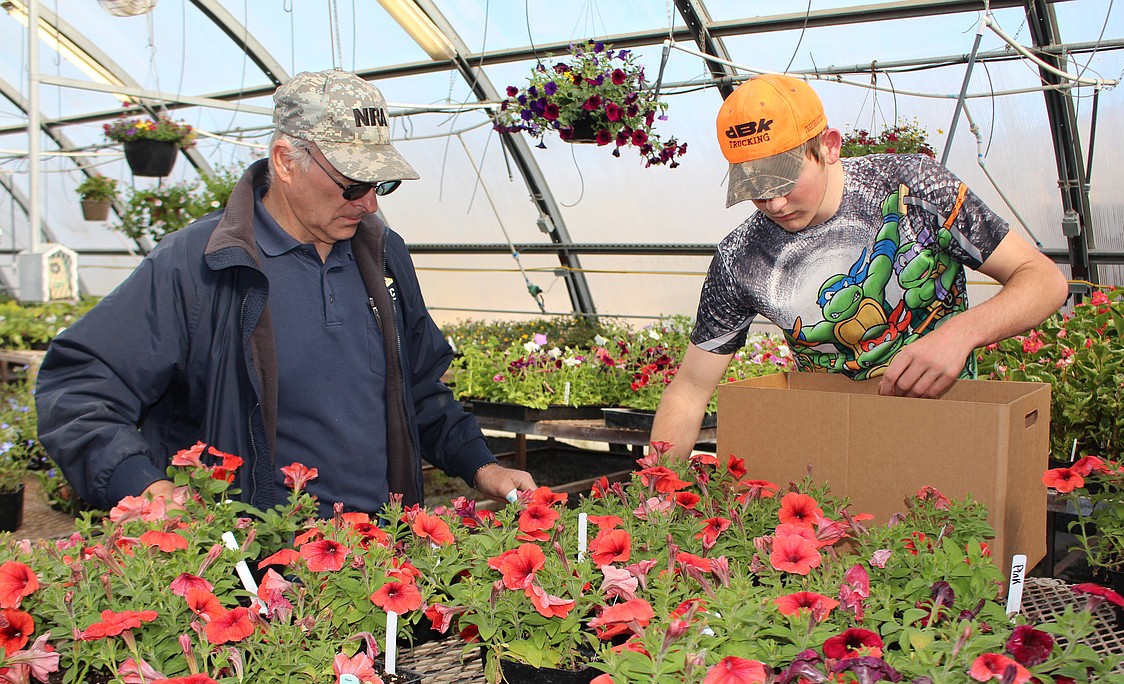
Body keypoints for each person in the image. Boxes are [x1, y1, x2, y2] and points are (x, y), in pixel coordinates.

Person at [36, 69, 534, 513]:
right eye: (353, 184)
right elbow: (78, 385)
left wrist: (481, 465)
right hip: (256, 565)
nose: (369, 205)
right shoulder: (201, 264)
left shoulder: (382, 255)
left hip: (376, 559)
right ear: (286, 161)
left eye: (381, 185)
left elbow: (418, 389)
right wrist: (143, 486)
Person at [651, 74, 1069, 456]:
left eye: (785, 181)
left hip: (946, 429)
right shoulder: (741, 257)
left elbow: (1043, 280)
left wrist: (960, 334)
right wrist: (654, 495)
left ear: (829, 147)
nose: (774, 204)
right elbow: (689, 392)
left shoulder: (913, 188)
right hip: (831, 445)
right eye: (756, 189)